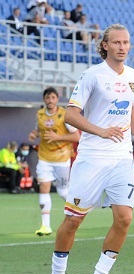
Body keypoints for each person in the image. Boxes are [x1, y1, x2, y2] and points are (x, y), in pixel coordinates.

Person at [47, 24, 134, 274]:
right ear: (104, 45)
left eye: (126, 42)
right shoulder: (91, 75)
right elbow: (70, 114)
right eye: (116, 42)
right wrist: (101, 130)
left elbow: (130, 106)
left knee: (125, 218)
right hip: (92, 158)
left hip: (121, 158)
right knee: (73, 220)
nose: (122, 47)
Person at [27, 86, 81, 236]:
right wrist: (34, 135)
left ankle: (78, 210)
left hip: (62, 158)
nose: (50, 100)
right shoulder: (40, 114)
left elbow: (76, 137)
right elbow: (38, 130)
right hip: (44, 157)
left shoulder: (64, 115)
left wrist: (58, 137)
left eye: (53, 98)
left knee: (63, 191)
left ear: (57, 99)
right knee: (44, 187)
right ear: (44, 99)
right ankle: (45, 226)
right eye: (47, 98)